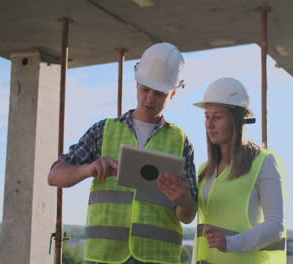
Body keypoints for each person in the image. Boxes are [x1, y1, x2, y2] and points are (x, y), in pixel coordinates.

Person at [48, 42, 197, 264]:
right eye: (145, 89)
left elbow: (188, 215)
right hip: (105, 256)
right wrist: (88, 169)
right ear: (136, 84)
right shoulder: (103, 130)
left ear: (173, 93)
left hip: (158, 257)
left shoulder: (181, 141)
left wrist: (183, 199)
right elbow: (54, 176)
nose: (149, 98)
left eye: (159, 93)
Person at [192, 77, 286, 264]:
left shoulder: (263, 161)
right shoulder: (204, 170)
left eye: (217, 117)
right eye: (207, 117)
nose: (209, 125)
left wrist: (230, 243)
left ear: (237, 121)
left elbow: (276, 225)